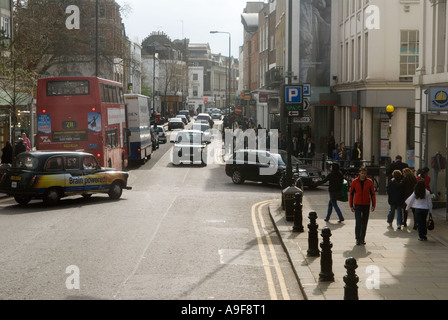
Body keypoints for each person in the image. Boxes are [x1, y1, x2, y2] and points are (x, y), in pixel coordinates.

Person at [349, 167, 376, 245]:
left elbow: (372, 194)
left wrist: (373, 205)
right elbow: (351, 194)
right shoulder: (354, 182)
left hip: (366, 204)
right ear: (359, 173)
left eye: (364, 173)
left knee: (364, 222)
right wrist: (351, 205)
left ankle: (362, 238)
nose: (363, 175)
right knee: (358, 221)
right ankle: (357, 238)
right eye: (362, 173)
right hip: (357, 204)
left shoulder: (369, 182)